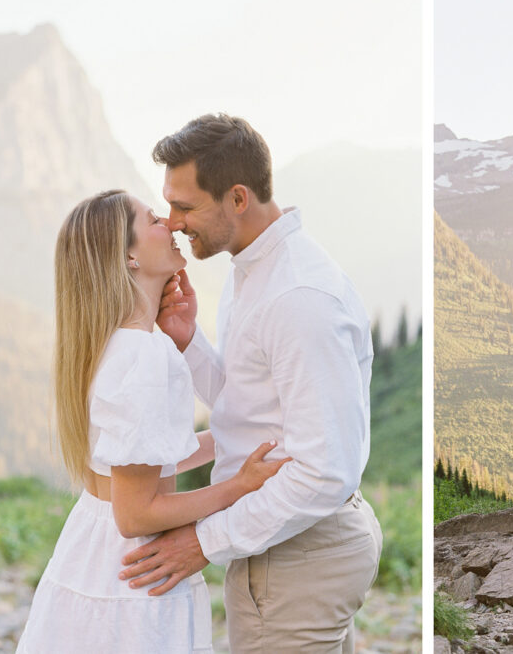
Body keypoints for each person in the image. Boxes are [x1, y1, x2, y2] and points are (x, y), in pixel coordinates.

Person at [117, 114, 383, 653]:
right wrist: (190, 343)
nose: (172, 222)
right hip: (295, 546)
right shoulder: (254, 270)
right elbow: (253, 408)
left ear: (238, 198)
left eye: (186, 207)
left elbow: (324, 470)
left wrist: (203, 542)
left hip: (296, 557)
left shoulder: (297, 298)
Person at [16, 190, 290, 653]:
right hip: (132, 570)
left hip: (93, 556)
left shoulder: (118, 344)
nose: (169, 221)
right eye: (152, 219)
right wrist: (237, 486)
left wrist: (243, 438)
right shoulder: (142, 355)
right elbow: (135, 513)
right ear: (129, 257)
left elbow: (148, 459)